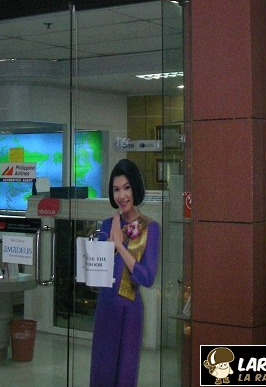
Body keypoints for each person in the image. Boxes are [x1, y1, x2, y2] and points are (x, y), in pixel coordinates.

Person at [90, 159, 159, 387]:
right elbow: (95, 274)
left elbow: (147, 278)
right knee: (101, 372)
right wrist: (110, 242)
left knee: (125, 375)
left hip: (130, 311)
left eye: (126, 188)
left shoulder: (150, 227)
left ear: (135, 188)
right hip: (105, 307)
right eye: (116, 189)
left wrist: (120, 246)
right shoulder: (107, 224)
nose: (121, 195)